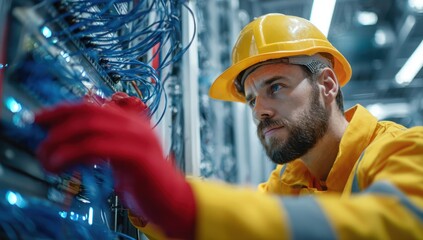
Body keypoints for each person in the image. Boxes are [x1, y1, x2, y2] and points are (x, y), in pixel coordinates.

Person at [36, 13, 423, 240]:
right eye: (252, 98)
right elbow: (228, 227)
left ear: (327, 85)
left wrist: (181, 201)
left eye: (276, 87)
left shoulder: (405, 149)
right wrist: (137, 179)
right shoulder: (291, 180)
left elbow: (395, 224)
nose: (260, 111)